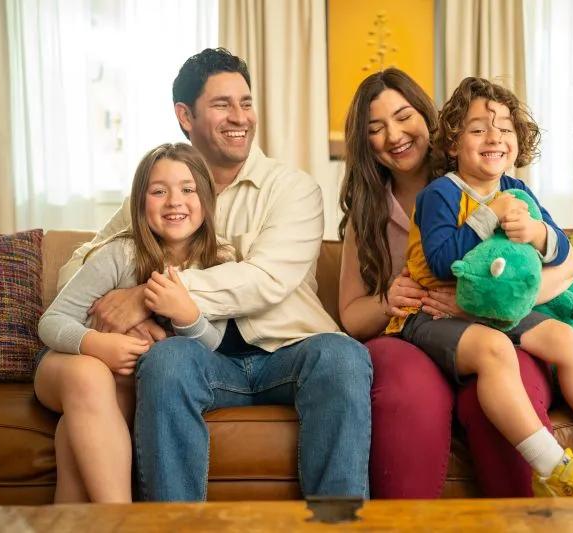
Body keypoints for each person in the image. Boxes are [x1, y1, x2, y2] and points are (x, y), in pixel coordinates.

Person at [57, 48, 372, 501]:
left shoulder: (293, 189)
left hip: (289, 351)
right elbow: (81, 263)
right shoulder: (166, 192)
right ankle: (174, 529)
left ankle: (337, 527)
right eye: (222, 105)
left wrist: (148, 294)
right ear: (185, 116)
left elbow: (265, 280)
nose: (239, 117)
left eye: (245, 103)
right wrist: (120, 299)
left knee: (343, 357)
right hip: (201, 358)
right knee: (165, 361)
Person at [391, 75, 573, 497]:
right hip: (434, 312)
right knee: (495, 352)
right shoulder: (440, 194)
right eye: (478, 129)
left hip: (492, 311)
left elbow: (562, 250)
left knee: (564, 337)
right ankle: (554, 469)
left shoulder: (517, 189)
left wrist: (537, 233)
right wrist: (490, 213)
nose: (494, 137)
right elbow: (440, 260)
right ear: (454, 144)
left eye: (505, 128)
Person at [339, 68, 573, 498]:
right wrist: (387, 299)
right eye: (376, 128)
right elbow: (352, 316)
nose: (394, 135)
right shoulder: (367, 213)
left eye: (404, 116)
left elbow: (567, 266)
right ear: (365, 143)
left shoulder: (484, 179)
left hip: (492, 333)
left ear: (431, 120)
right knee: (410, 395)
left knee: (506, 384)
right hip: (410, 336)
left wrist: (487, 304)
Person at [35, 142, 232, 502]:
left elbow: (213, 343)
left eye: (188, 190)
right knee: (89, 375)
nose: (174, 201)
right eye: (159, 191)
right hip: (65, 368)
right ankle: (123, 520)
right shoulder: (120, 254)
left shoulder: (219, 263)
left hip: (123, 389)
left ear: (207, 199)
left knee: (72, 434)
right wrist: (99, 345)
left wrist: (185, 317)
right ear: (140, 203)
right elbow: (52, 321)